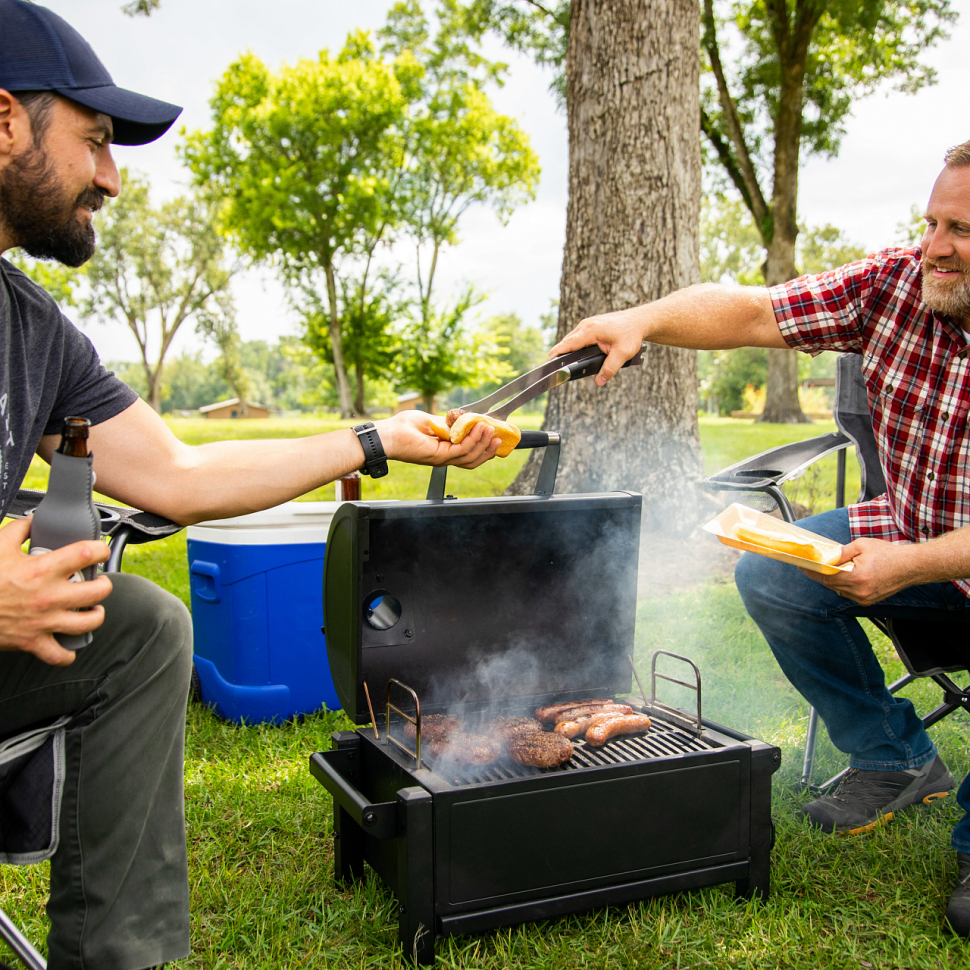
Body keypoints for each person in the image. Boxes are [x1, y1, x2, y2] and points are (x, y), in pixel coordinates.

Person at [0, 3, 502, 969]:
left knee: (142, 626)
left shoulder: (32, 328)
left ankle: (117, 958)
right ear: (4, 121)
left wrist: (375, 440)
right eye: (95, 141)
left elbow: (182, 475)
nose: (111, 176)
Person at [552, 140, 970, 935]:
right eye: (931, 222)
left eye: (961, 230)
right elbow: (751, 309)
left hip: (938, 555)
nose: (935, 248)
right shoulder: (893, 284)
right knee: (771, 573)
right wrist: (643, 320)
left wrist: (913, 564)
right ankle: (895, 757)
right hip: (910, 534)